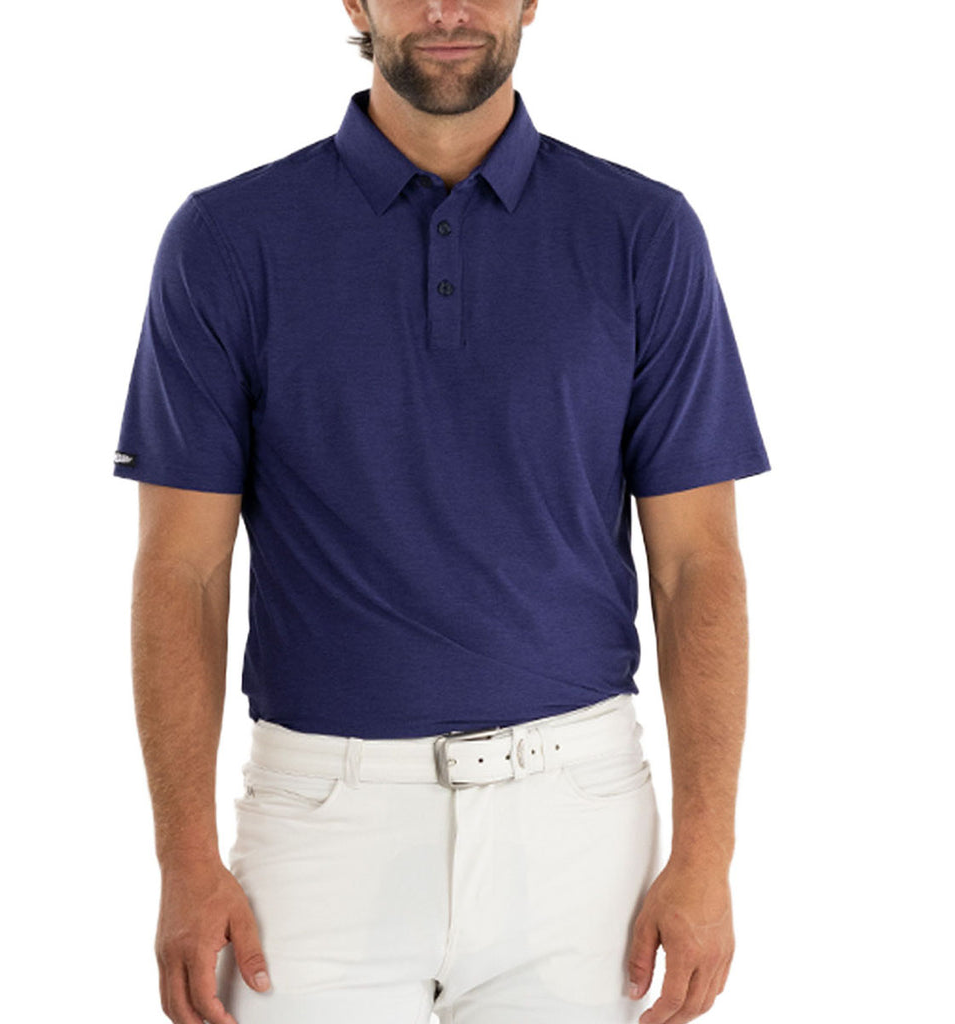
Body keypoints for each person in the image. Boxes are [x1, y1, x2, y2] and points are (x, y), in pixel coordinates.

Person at [112, 1, 771, 1022]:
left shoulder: (643, 233)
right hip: (317, 829)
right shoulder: (230, 238)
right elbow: (181, 571)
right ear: (355, 2)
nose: (448, 10)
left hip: (581, 831)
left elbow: (697, 566)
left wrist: (707, 856)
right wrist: (185, 860)